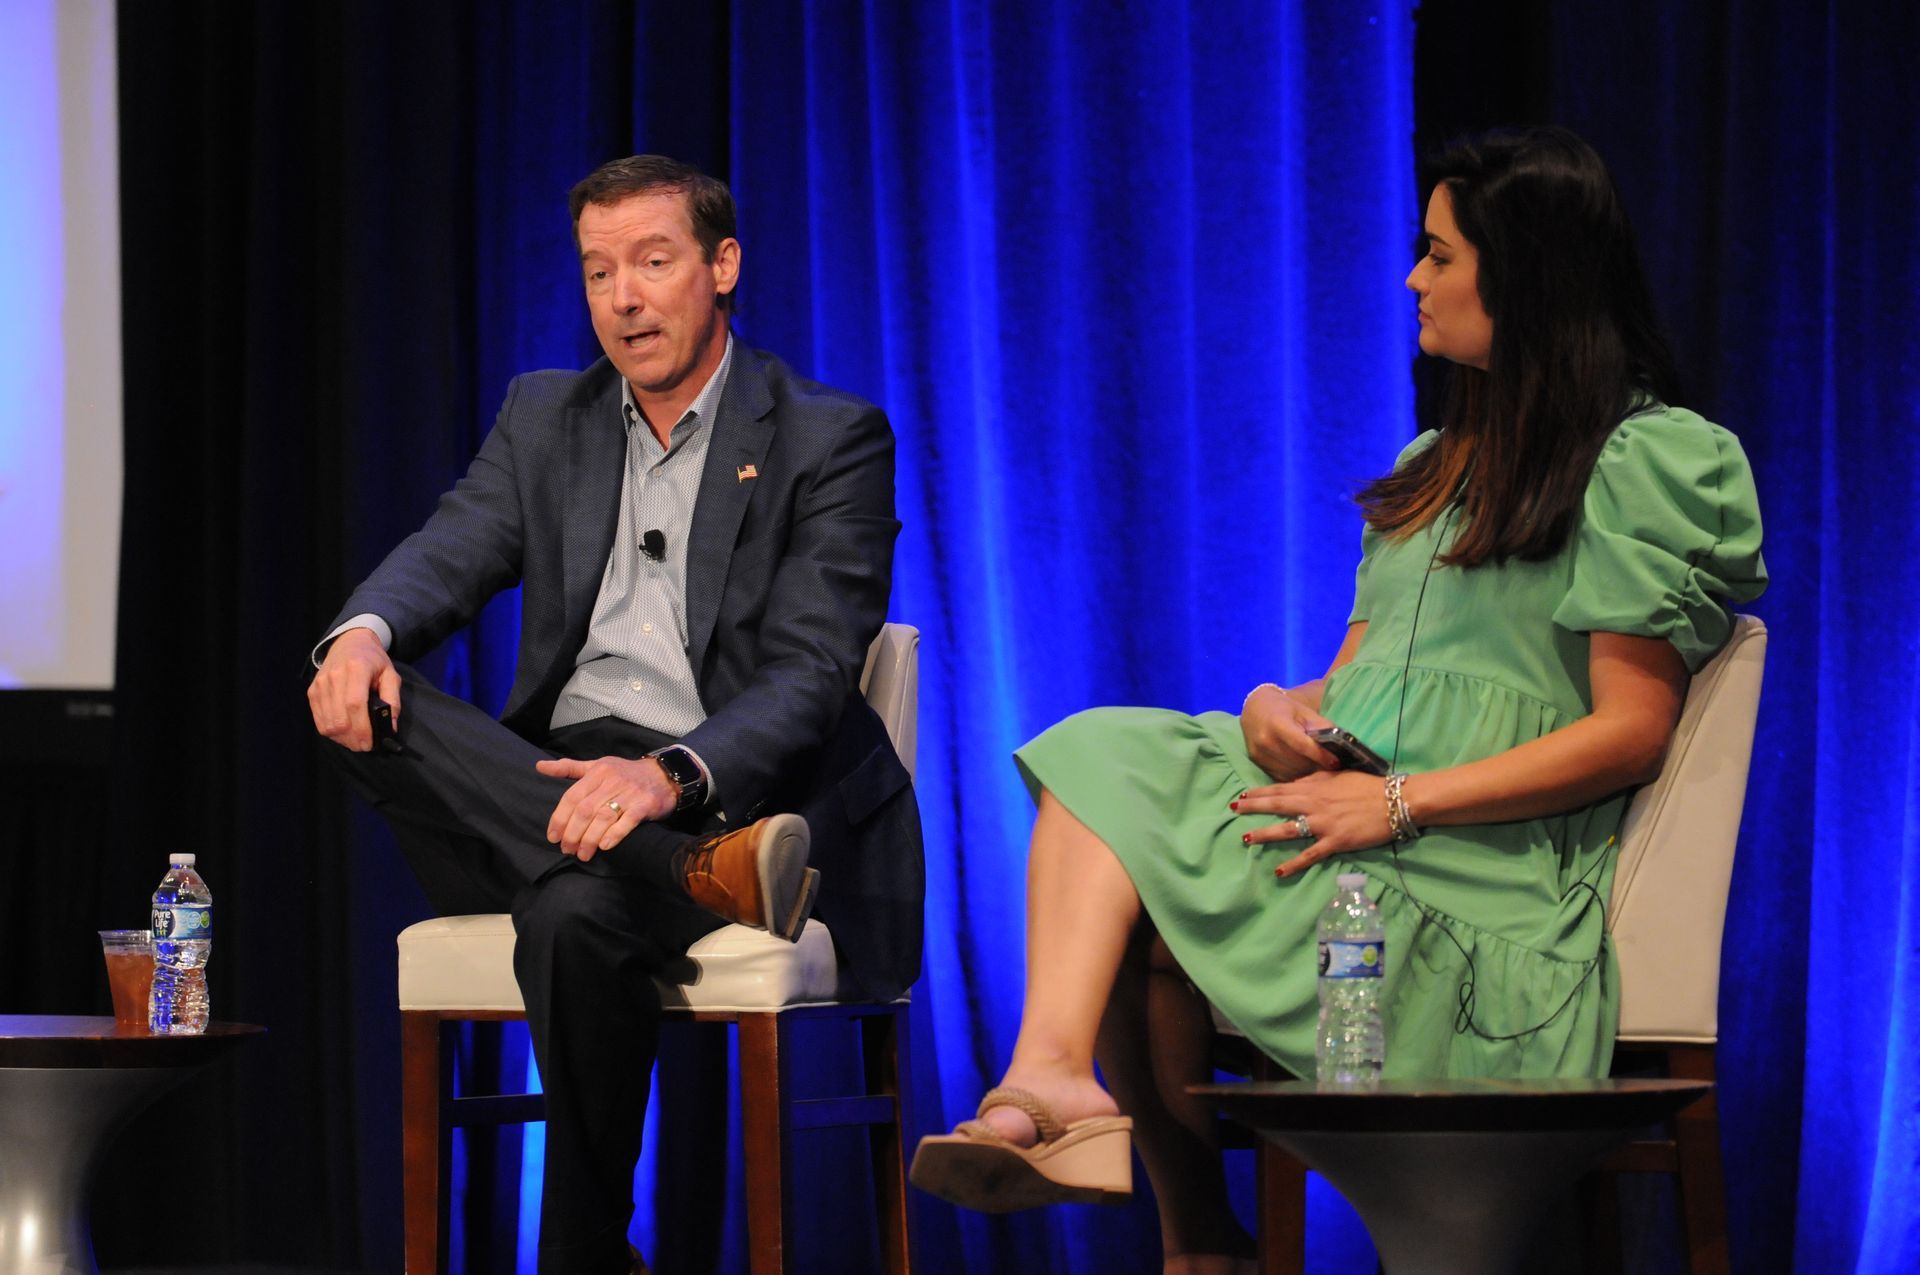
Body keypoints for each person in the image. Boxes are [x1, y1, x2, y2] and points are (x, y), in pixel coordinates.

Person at [909, 126, 1766, 1273]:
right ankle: (1059, 1080)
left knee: (1146, 903)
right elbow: (1360, 678)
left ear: (1525, 274)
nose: (1414, 277)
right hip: (1352, 807)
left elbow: (1630, 729)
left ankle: (1193, 1233)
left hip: (1483, 870)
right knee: (1105, 755)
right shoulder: (1431, 467)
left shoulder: (1650, 458)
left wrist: (1403, 803)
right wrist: (1282, 704)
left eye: (1440, 254)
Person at [306, 154, 923, 1275]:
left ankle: (588, 1256)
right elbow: (451, 548)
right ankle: (694, 871)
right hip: (547, 792)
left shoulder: (829, 438)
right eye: (599, 272)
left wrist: (669, 779)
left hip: (723, 785)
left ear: (722, 266)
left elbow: (810, 672)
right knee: (368, 693)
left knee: (572, 921)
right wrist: (363, 633)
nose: (623, 299)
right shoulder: (547, 417)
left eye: (651, 262)